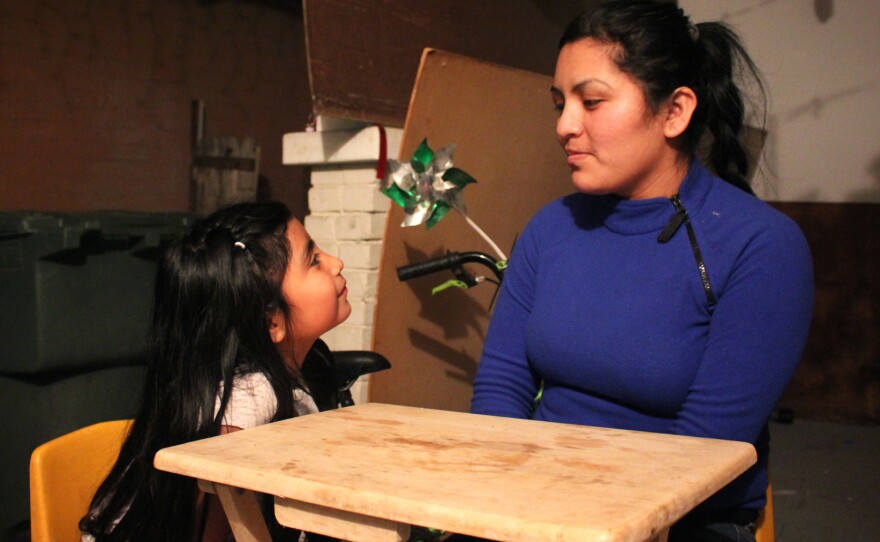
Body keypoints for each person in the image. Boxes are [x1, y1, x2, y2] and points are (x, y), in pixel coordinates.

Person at [470, 2, 814, 541]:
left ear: (674, 111)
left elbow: (702, 452)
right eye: (560, 104)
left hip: (684, 519)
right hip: (533, 504)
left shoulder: (761, 246)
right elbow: (501, 386)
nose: (564, 125)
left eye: (592, 101)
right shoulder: (550, 228)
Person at [80, 201, 351, 541]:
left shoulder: (303, 367)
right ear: (271, 320)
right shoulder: (247, 404)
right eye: (313, 261)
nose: (336, 263)